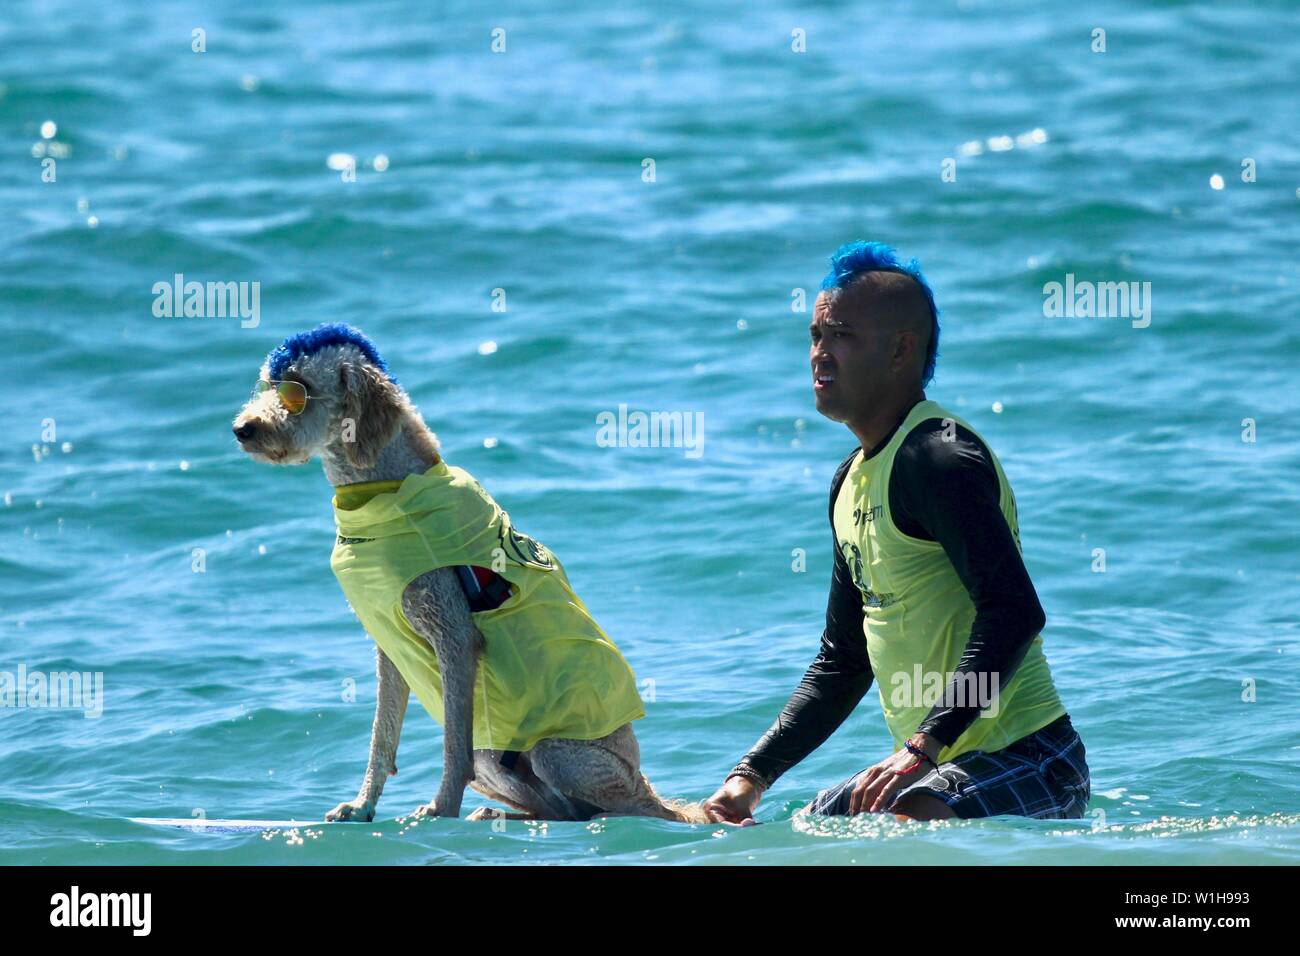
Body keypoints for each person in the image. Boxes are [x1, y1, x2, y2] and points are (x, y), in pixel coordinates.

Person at [704, 241, 1089, 823]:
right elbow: (843, 658)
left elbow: (1014, 612)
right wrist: (749, 777)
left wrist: (921, 745)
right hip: (934, 770)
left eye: (841, 336)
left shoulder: (939, 458)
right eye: (815, 335)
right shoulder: (851, 481)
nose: (819, 354)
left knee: (907, 823)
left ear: (901, 350)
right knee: (799, 833)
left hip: (1033, 757)